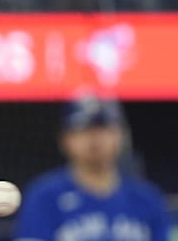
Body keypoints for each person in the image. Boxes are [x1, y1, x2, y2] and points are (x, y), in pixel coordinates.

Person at [14, 95, 174, 241]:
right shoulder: (44, 196)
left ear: (120, 136)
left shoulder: (148, 199)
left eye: (103, 128)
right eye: (83, 129)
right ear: (65, 139)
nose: (94, 138)